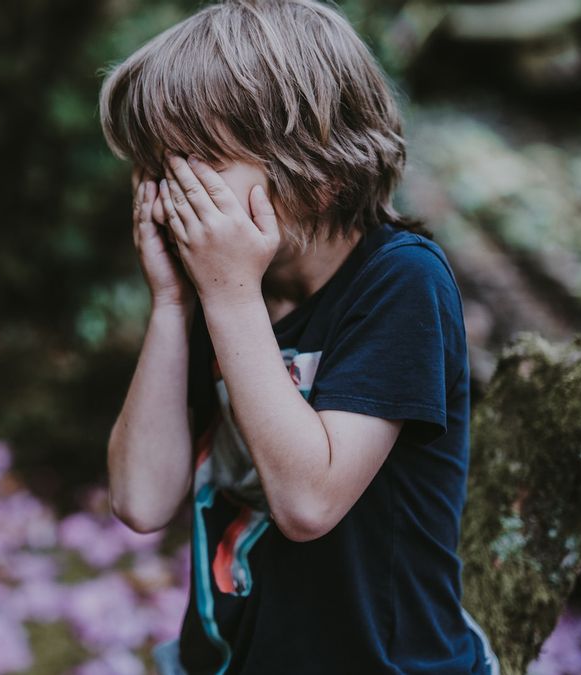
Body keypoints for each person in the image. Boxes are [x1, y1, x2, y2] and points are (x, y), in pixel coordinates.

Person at [97, 1, 502, 673]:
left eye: (200, 164)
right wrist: (171, 303)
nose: (174, 194)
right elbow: (140, 499)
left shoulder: (401, 283)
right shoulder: (217, 287)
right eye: (160, 168)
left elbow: (309, 501)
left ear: (318, 176)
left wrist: (227, 295)